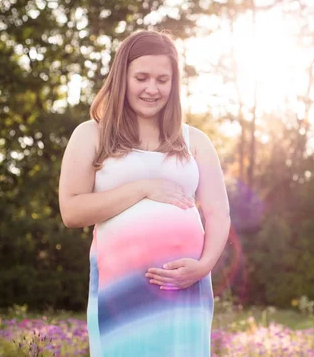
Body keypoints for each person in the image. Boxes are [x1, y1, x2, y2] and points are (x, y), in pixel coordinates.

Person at [58, 30, 231, 356]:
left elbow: (218, 213)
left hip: (185, 288)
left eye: (162, 80)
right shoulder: (91, 135)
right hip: (120, 290)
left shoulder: (195, 141)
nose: (152, 89)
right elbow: (72, 211)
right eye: (141, 77)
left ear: (174, 84)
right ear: (122, 77)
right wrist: (143, 188)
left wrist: (204, 265)